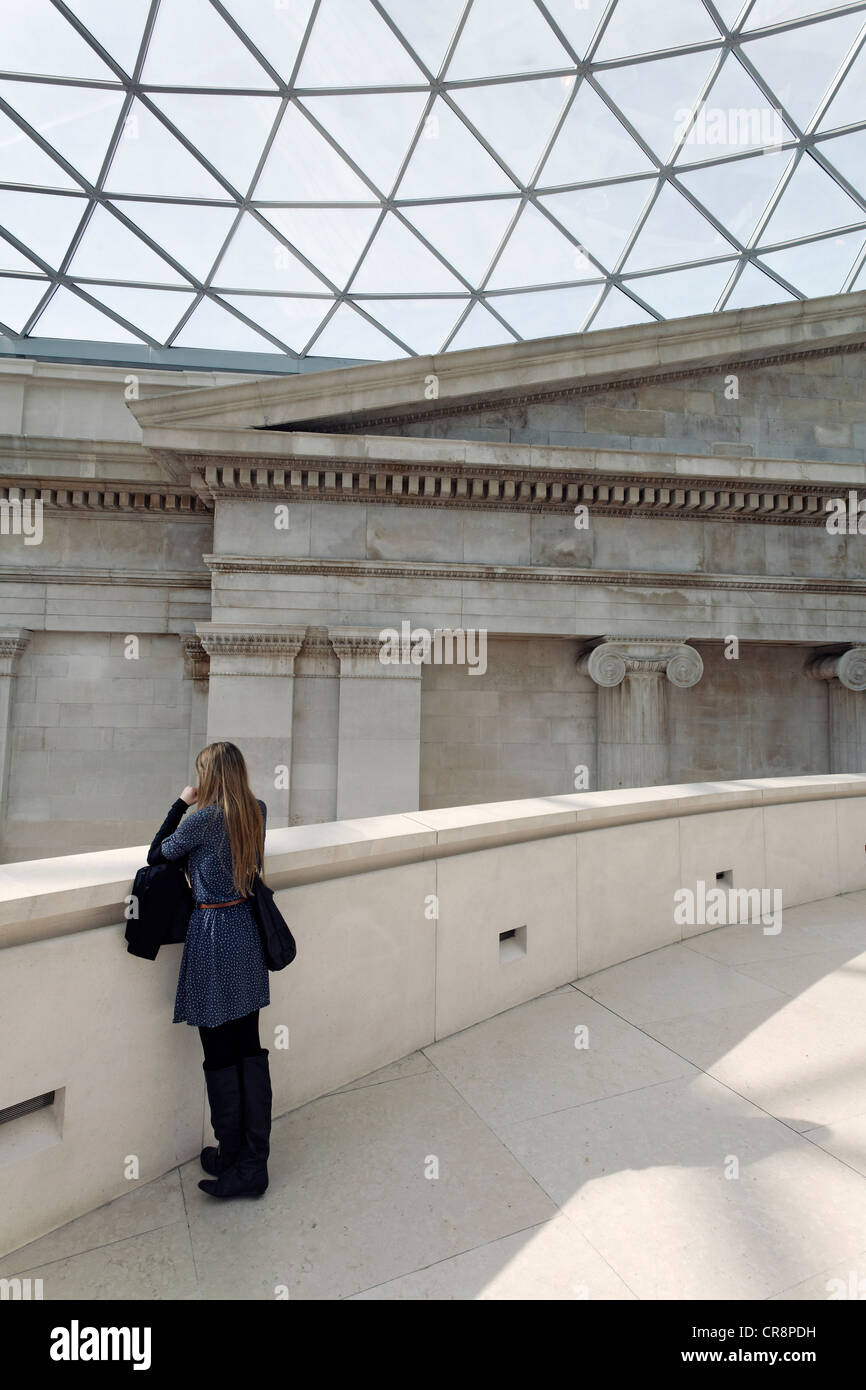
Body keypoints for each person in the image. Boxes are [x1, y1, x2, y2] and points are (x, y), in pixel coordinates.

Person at [147, 741, 272, 1200]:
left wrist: (182, 801)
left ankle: (240, 1158)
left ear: (210, 775)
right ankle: (246, 1158)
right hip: (246, 929)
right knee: (248, 1046)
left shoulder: (201, 819)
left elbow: (157, 854)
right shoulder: (256, 810)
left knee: (219, 1048)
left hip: (214, 932)